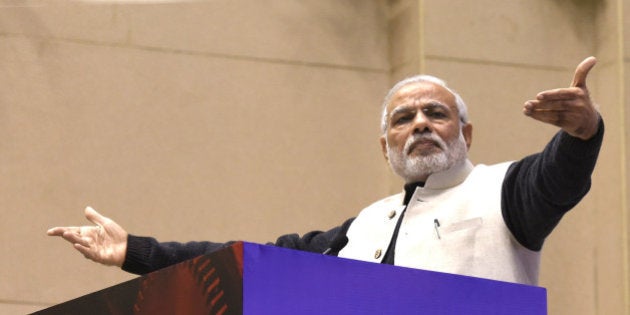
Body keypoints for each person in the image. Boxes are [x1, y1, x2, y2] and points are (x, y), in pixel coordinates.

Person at [48, 57, 603, 286]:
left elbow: (559, 177)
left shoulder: (502, 190)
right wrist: (134, 252)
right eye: (402, 119)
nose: (420, 125)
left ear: (466, 133)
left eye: (437, 113)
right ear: (384, 145)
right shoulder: (363, 225)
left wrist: (582, 133)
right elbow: (253, 264)